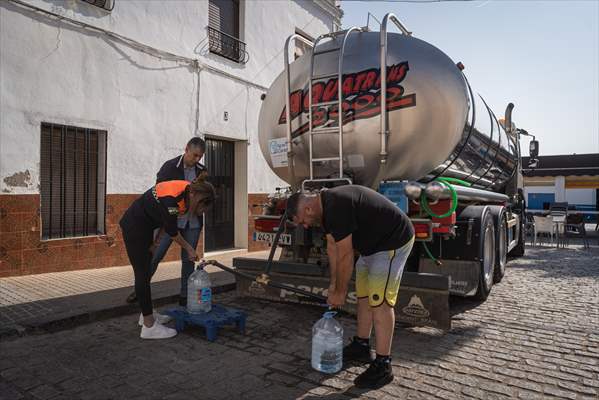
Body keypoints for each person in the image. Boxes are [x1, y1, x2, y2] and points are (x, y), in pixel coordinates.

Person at [286, 185, 414, 389]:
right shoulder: (324, 208)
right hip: (371, 246)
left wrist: (341, 292)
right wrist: (333, 287)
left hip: (392, 242)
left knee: (379, 301)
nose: (306, 226)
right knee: (363, 296)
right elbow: (332, 248)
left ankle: (383, 365)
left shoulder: (336, 206)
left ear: (308, 209)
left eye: (302, 221)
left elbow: (345, 255)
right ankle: (362, 345)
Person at [119, 176, 216, 339]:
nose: (200, 213)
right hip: (135, 228)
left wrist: (155, 243)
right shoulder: (172, 200)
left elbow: (165, 222)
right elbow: (172, 231)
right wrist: (189, 249)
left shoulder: (186, 191)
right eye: (201, 209)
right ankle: (149, 327)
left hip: (145, 228)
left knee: (145, 272)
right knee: (142, 275)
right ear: (197, 197)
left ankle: (146, 315)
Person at [126, 137, 208, 306]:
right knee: (155, 256)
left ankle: (185, 297)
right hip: (169, 222)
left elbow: (205, 196)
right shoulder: (169, 167)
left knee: (188, 260)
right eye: (194, 155)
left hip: (192, 223)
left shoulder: (202, 171)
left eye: (200, 156)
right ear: (186, 149)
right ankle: (140, 289)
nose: (196, 159)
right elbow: (160, 193)